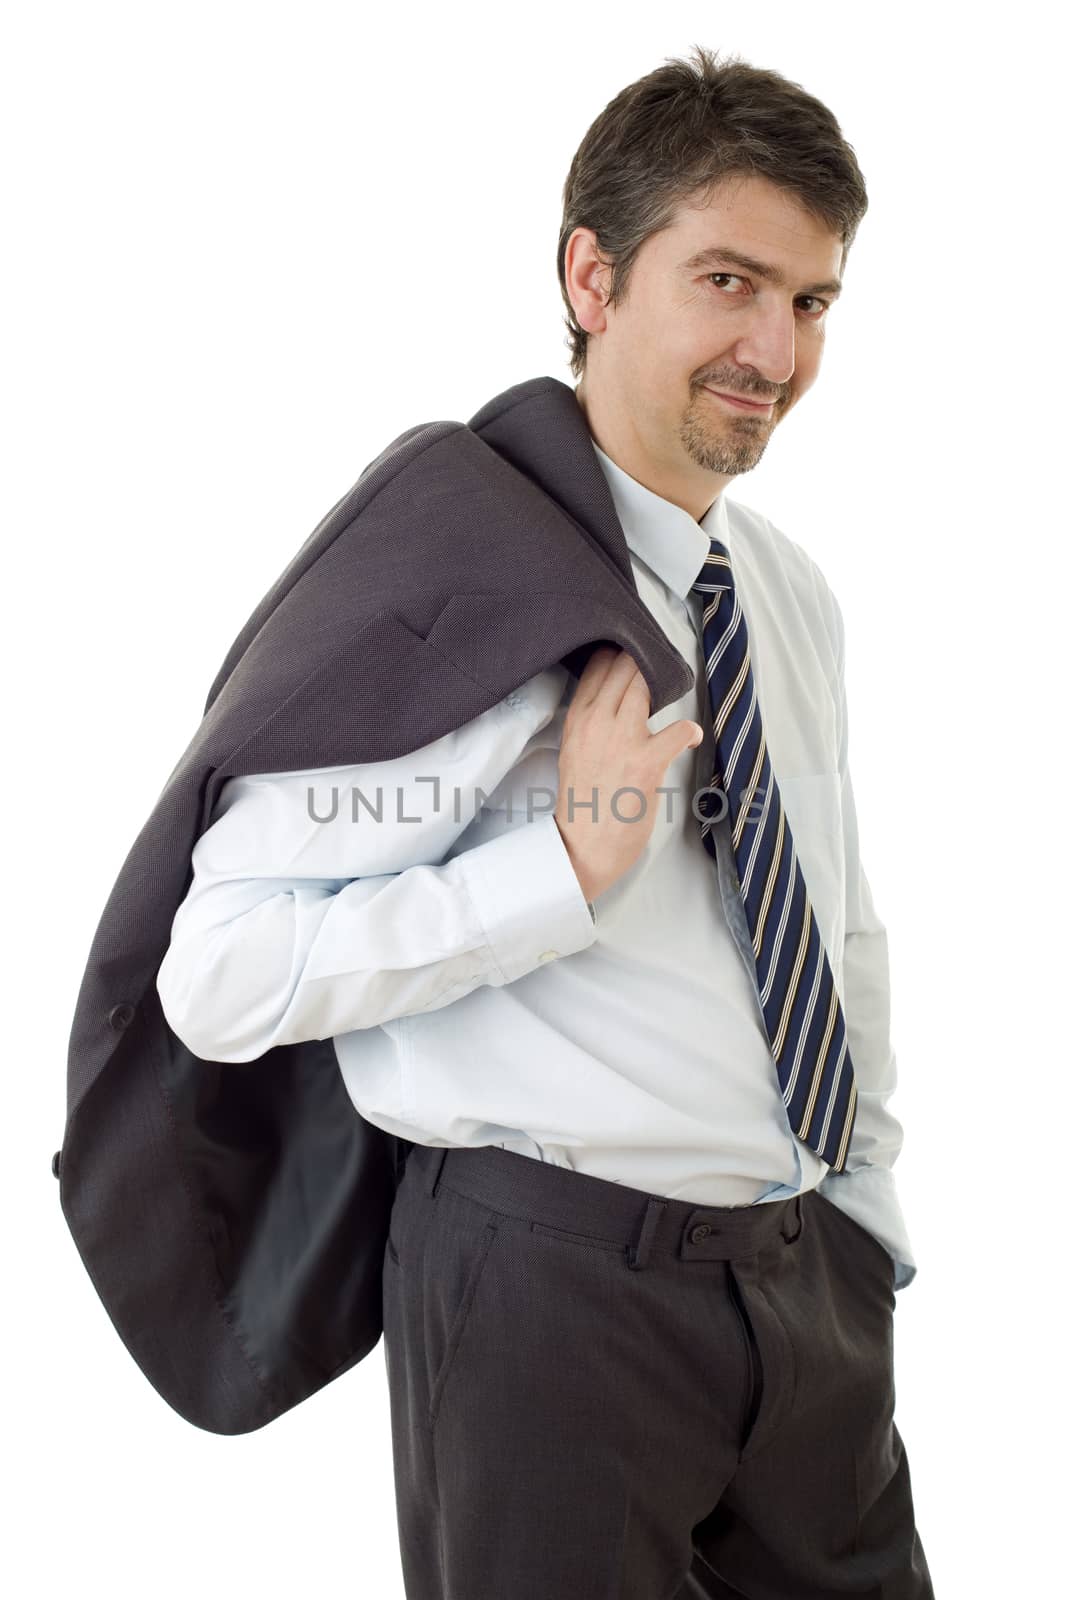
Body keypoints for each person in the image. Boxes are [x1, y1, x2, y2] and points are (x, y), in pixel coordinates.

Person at [157, 43, 934, 1600]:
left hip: (806, 1301)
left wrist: (864, 1221)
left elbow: (836, 917)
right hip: (550, 1304)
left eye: (812, 301)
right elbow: (218, 975)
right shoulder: (453, 574)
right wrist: (556, 873)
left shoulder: (784, 591)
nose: (774, 349)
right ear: (592, 274)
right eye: (728, 280)